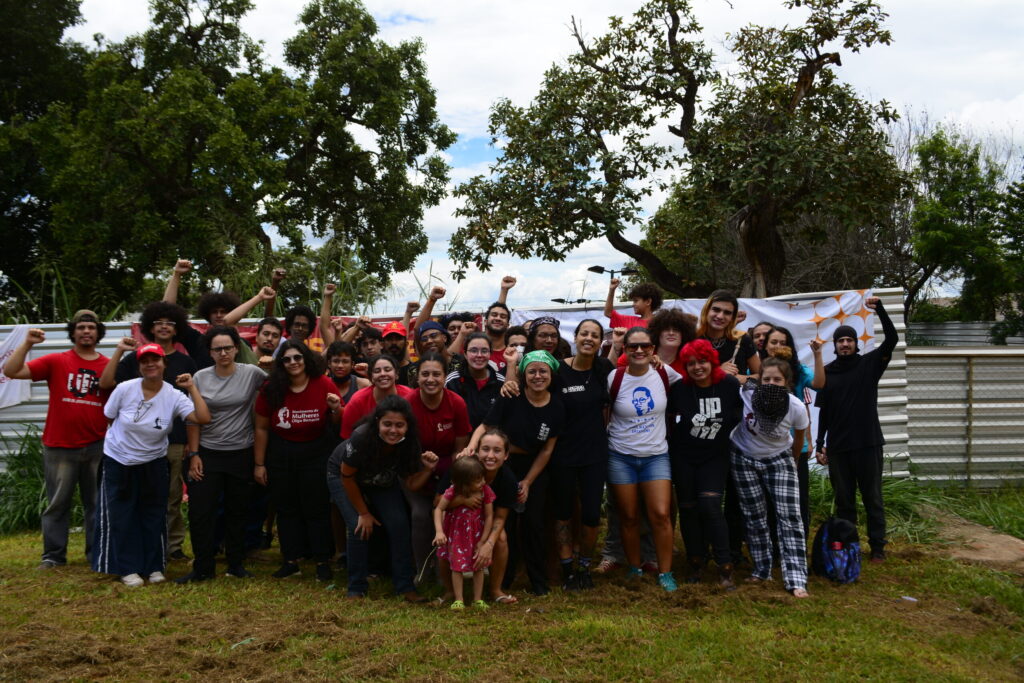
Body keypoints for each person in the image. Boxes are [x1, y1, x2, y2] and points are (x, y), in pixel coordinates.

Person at [92, 343, 210, 586]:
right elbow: (108, 416)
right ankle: (127, 568)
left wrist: (191, 388)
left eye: (155, 359)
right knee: (122, 515)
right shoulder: (124, 389)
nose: (150, 364)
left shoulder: (174, 395)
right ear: (139, 366)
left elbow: (202, 418)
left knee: (154, 514)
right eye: (144, 361)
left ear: (164, 363)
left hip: (154, 461)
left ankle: (154, 566)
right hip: (119, 460)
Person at [3, 313, 109, 569]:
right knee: (57, 503)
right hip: (60, 446)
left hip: (97, 445)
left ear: (98, 333)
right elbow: (11, 370)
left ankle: (95, 553)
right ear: (73, 332)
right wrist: (27, 343)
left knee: (95, 503)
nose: (86, 331)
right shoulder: (56, 360)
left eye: (91, 327)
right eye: (81, 327)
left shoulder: (109, 364)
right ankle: (52, 555)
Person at [99, 301, 198, 563]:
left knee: (172, 497)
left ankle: (172, 546)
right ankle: (139, 549)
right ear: (148, 327)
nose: (164, 327)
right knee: (137, 500)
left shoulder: (186, 361)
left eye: (170, 323)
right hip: (131, 449)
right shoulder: (135, 359)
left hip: (174, 440)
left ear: (177, 330)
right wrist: (119, 352)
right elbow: (107, 385)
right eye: (158, 322)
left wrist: (191, 443)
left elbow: (195, 410)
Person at [464, 350, 564, 595]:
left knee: (533, 524)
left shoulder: (557, 406)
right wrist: (471, 446)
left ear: (551, 374)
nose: (537, 376)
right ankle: (503, 580)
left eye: (543, 371)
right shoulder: (511, 395)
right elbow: (485, 426)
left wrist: (529, 481)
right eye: (532, 371)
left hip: (536, 469)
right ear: (523, 374)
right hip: (504, 466)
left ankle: (538, 582)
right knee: (505, 525)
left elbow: (547, 450)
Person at [177, 327, 267, 583]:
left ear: (237, 348)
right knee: (201, 511)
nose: (224, 353)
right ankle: (203, 567)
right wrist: (194, 454)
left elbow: (276, 385)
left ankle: (235, 564)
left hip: (241, 451)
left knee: (238, 510)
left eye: (228, 347)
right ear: (210, 352)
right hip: (207, 453)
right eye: (218, 349)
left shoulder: (251, 374)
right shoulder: (200, 378)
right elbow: (193, 418)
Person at [815, 296, 898, 563]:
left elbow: (892, 340)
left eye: (849, 339)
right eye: (841, 340)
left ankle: (877, 548)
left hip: (868, 443)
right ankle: (850, 546)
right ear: (835, 345)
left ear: (856, 343)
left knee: (873, 498)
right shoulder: (827, 373)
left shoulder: (869, 365)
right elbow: (823, 413)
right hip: (839, 447)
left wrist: (881, 310)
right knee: (844, 502)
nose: (845, 344)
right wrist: (819, 443)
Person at [253, 341, 341, 582]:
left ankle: (322, 562)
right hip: (281, 452)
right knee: (286, 508)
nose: (293, 363)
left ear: (306, 360)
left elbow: (338, 422)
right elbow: (261, 428)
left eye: (297, 358)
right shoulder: (271, 388)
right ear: (281, 364)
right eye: (287, 359)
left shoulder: (323, 383)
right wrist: (259, 464)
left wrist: (336, 410)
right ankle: (290, 561)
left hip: (316, 452)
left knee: (317, 509)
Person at [335, 395, 437, 601]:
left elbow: (410, 484)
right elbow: (347, 476)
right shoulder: (361, 437)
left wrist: (427, 470)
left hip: (381, 479)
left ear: (407, 426)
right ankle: (356, 587)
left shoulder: (410, 443)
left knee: (399, 524)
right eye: (387, 424)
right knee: (358, 526)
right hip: (344, 476)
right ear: (377, 423)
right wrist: (363, 512)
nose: (393, 430)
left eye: (399, 425)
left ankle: (405, 586)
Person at [606, 327, 682, 592]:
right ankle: (634, 567)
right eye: (633, 346)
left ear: (653, 350)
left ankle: (665, 572)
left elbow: (691, 391)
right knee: (628, 516)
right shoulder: (614, 377)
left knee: (661, 514)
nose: (639, 351)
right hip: (620, 455)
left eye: (645, 347)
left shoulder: (664, 373)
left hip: (656, 456)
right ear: (624, 350)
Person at [729, 357, 811, 598]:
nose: (772, 383)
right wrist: (742, 376)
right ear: (759, 380)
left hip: (779, 458)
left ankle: (796, 578)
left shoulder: (795, 406)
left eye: (778, 379)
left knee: (790, 517)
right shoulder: (747, 394)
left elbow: (799, 439)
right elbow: (733, 380)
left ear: (787, 382)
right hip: (743, 457)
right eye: (767, 379)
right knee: (754, 516)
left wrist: (793, 462)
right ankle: (761, 569)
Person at [669, 339, 742, 588]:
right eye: (691, 364)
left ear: (711, 361)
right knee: (688, 509)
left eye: (702, 361)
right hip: (684, 456)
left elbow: (743, 414)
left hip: (715, 456)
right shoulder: (679, 389)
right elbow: (669, 418)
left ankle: (725, 565)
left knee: (711, 506)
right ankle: (696, 562)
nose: (697, 367)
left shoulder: (729, 385)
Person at [547, 319, 613, 590]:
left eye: (594, 335)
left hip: (594, 454)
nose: (589, 338)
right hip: (562, 453)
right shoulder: (558, 370)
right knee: (562, 512)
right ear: (574, 337)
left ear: (600, 342)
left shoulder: (604, 368)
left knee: (590, 514)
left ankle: (585, 565)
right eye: (584, 333)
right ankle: (566, 568)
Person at [696, 290, 759, 566]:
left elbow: (760, 374)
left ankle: (733, 549)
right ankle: (704, 549)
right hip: (704, 423)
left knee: (736, 492)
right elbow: (687, 374)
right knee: (707, 495)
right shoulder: (695, 339)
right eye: (716, 310)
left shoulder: (741, 341)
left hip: (735, 423)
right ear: (708, 310)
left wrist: (743, 376)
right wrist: (717, 371)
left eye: (727, 312)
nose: (720, 316)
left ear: (733, 317)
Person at [406, 352, 472, 580]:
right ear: (417, 377)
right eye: (425, 374)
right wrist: (425, 467)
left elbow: (459, 451)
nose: (430, 379)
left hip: (447, 471)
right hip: (414, 469)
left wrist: (445, 486)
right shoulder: (408, 404)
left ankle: (451, 567)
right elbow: (403, 449)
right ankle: (422, 569)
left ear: (445, 376)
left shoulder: (456, 403)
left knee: (449, 512)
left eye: (436, 374)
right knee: (421, 515)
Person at [764, 326, 825, 536]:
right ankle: (775, 549)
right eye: (773, 342)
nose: (778, 347)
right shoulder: (757, 370)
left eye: (783, 342)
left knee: (798, 500)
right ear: (765, 345)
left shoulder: (799, 371)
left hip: (795, 446)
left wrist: (817, 354)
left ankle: (799, 548)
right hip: (766, 448)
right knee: (769, 502)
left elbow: (818, 384)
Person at [433, 456, 495, 610]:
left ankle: (477, 599)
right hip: (457, 536)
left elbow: (489, 516)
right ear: (464, 483)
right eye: (478, 480)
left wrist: (483, 540)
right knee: (456, 567)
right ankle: (459, 598)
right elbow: (438, 509)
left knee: (478, 567)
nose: (483, 483)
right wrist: (439, 532)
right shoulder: (453, 491)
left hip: (477, 536)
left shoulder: (485, 491)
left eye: (482, 478)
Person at [341, 355, 417, 440]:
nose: (383, 374)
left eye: (387, 370)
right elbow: (347, 437)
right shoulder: (358, 400)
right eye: (377, 371)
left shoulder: (410, 396)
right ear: (371, 377)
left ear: (396, 375)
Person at [444, 333, 505, 428]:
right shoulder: (452, 381)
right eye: (473, 351)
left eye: (484, 351)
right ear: (465, 354)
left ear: (490, 354)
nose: (479, 355)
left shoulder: (500, 382)